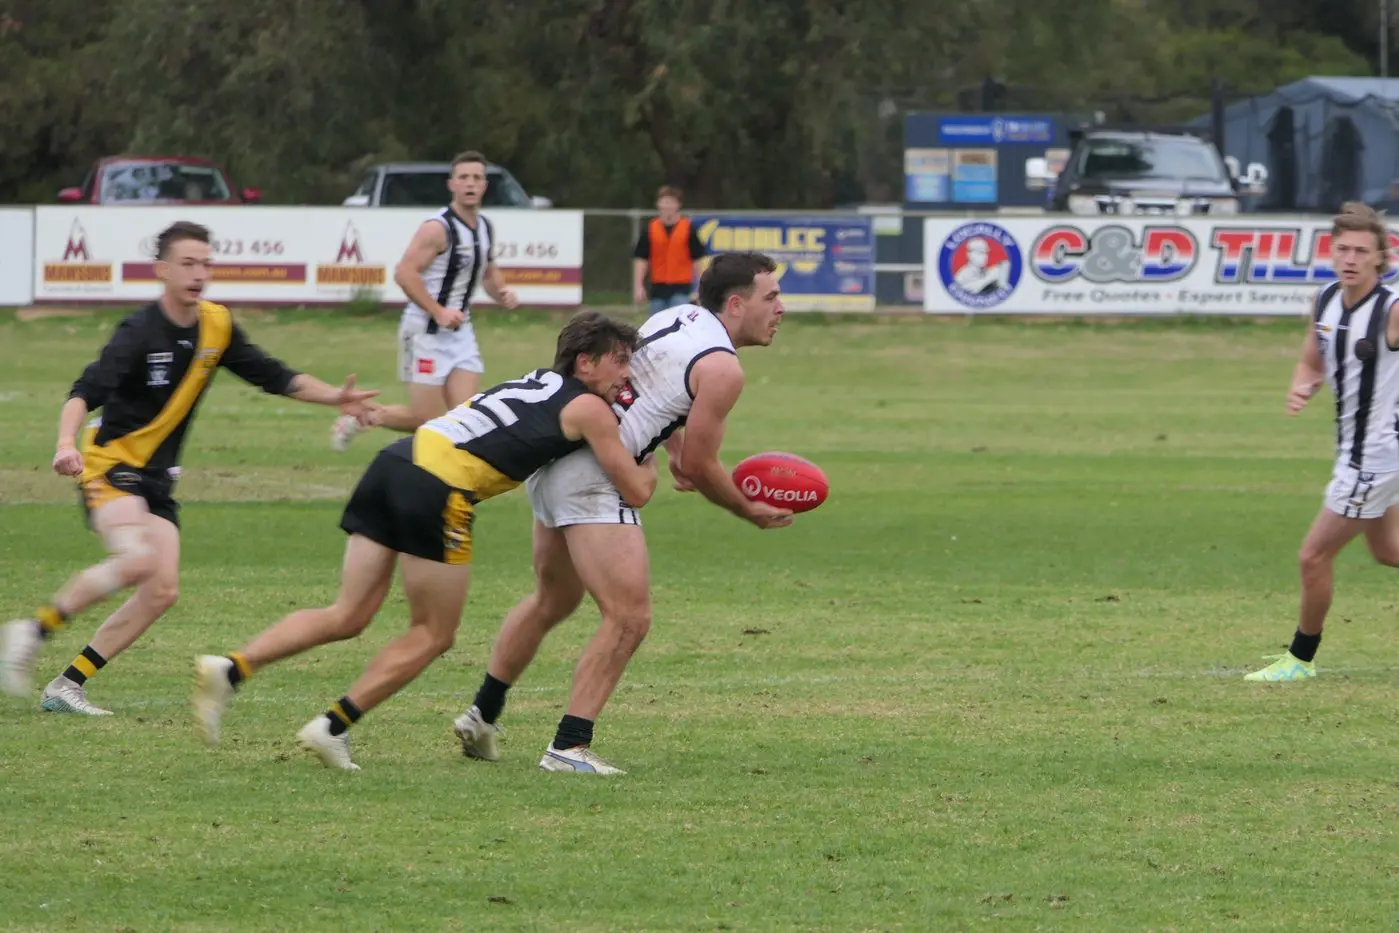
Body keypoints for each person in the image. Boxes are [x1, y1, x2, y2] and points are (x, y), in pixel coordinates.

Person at [193, 312, 657, 772]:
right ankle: (332, 726)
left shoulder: (536, 381)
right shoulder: (591, 409)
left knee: (348, 614)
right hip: (439, 488)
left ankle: (231, 668)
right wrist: (650, 457)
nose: (627, 372)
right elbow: (635, 491)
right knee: (434, 633)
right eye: (618, 360)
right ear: (585, 363)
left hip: (396, 460)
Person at [0, 220, 381, 715]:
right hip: (108, 465)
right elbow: (84, 392)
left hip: (157, 479)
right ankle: (32, 631)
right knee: (136, 559)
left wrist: (337, 397)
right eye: (188, 263)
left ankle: (67, 685)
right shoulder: (138, 332)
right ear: (162, 270)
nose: (199, 273)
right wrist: (62, 443)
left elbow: (274, 376)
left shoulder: (216, 326)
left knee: (161, 589)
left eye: (206, 264)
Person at [453, 251, 793, 775]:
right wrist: (748, 509)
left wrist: (674, 450)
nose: (781, 308)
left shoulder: (673, 318)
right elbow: (703, 466)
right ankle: (568, 747)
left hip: (557, 462)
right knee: (629, 617)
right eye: (771, 297)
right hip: (596, 477)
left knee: (553, 598)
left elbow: (656, 395)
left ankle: (483, 714)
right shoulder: (724, 367)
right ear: (735, 303)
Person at [1246, 201, 1399, 682]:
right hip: (1355, 452)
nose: (1350, 258)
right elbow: (1312, 360)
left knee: (1313, 556)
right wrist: (1303, 384)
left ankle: (1299, 659)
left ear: (1381, 257)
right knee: (1387, 551)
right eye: (1343, 249)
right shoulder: (1325, 300)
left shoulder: (1391, 312)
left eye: (1361, 250)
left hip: (1376, 458)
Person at [332, 149, 519, 451]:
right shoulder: (437, 228)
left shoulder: (484, 226)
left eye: (477, 178)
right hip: (425, 332)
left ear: (485, 185)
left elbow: (487, 271)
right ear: (452, 185)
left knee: (466, 418)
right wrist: (438, 311)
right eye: (463, 178)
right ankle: (362, 416)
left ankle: (453, 481)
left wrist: (502, 292)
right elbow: (405, 273)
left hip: (461, 333)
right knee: (427, 418)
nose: (470, 183)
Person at [632, 185, 707, 317]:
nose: (668, 206)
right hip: (657, 288)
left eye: (671, 202)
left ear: (678, 205)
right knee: (656, 326)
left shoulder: (688, 228)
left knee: (678, 323)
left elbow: (698, 259)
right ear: (658, 204)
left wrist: (701, 288)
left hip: (681, 287)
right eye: (665, 202)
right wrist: (638, 286)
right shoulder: (650, 229)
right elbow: (641, 259)